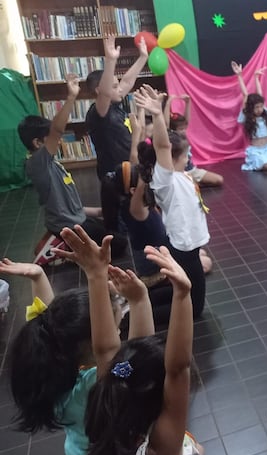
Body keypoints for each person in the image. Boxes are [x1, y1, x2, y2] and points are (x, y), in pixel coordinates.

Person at [54, 226, 210, 455]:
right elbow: (178, 368)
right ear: (161, 393)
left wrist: (99, 277)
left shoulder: (110, 418)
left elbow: (109, 354)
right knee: (198, 449)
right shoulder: (162, 450)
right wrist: (182, 293)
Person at [5, 254, 149, 455]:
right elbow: (137, 361)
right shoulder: (94, 384)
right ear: (97, 345)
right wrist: (139, 301)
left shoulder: (55, 373)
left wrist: (39, 276)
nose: (119, 336)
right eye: (117, 329)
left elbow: (49, 318)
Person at [18, 74, 127, 262]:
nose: (58, 141)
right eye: (50, 139)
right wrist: (71, 97)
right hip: (67, 225)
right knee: (117, 246)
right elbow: (57, 130)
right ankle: (62, 244)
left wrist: (96, 212)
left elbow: (65, 206)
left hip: (75, 219)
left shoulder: (52, 164)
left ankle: (66, 242)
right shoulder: (38, 163)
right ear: (37, 143)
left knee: (112, 228)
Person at [133, 85, 210, 319]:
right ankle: (134, 314)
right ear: (171, 160)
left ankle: (138, 302)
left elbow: (165, 141)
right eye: (185, 155)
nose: (188, 158)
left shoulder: (177, 176)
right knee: (194, 310)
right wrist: (156, 114)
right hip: (183, 248)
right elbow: (163, 145)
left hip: (187, 247)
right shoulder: (165, 181)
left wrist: (161, 113)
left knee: (183, 288)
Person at [86, 35, 149, 180]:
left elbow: (127, 81)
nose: (119, 89)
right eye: (115, 86)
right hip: (114, 174)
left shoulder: (115, 104)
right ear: (99, 90)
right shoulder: (99, 112)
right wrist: (110, 60)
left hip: (130, 167)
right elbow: (106, 92)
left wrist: (143, 57)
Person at [232, 61, 267, 171]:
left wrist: (256, 78)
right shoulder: (247, 116)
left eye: (261, 106)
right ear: (251, 107)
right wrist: (239, 76)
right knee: (265, 166)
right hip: (256, 150)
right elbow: (245, 95)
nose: (260, 109)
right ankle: (258, 161)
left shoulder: (264, 114)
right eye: (257, 107)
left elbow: (260, 95)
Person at [165, 93, 224, 186]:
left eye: (184, 128)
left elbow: (187, 121)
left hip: (192, 170)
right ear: (174, 130)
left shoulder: (183, 135)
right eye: (181, 129)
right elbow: (166, 124)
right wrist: (168, 103)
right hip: (179, 173)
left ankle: (195, 183)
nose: (184, 131)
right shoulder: (172, 137)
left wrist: (188, 103)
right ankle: (192, 184)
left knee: (219, 180)